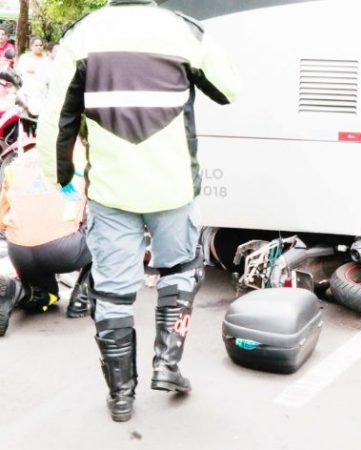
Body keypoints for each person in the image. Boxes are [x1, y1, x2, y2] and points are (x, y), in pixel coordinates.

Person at [36, 0, 241, 422]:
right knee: (181, 271)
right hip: (172, 188)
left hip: (113, 191)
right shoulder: (184, 30)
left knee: (112, 291)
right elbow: (228, 89)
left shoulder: (83, 35)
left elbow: (57, 118)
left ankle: (121, 396)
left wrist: (59, 176)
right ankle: (167, 365)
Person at [0, 140, 92, 337]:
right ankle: (81, 299)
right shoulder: (84, 156)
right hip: (63, 250)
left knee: (49, 295)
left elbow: (2, 219)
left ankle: (16, 290)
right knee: (111, 230)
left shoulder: (18, 162)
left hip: (19, 251)